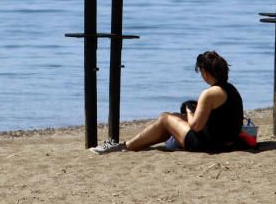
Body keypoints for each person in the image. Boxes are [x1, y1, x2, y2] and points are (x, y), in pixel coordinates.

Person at [91, 51, 244, 154]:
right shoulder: (231, 90)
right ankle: (137, 144)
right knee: (175, 116)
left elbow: (196, 126)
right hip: (229, 142)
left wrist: (190, 110)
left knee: (165, 118)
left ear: (204, 71)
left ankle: (125, 146)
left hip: (210, 146)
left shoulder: (209, 93)